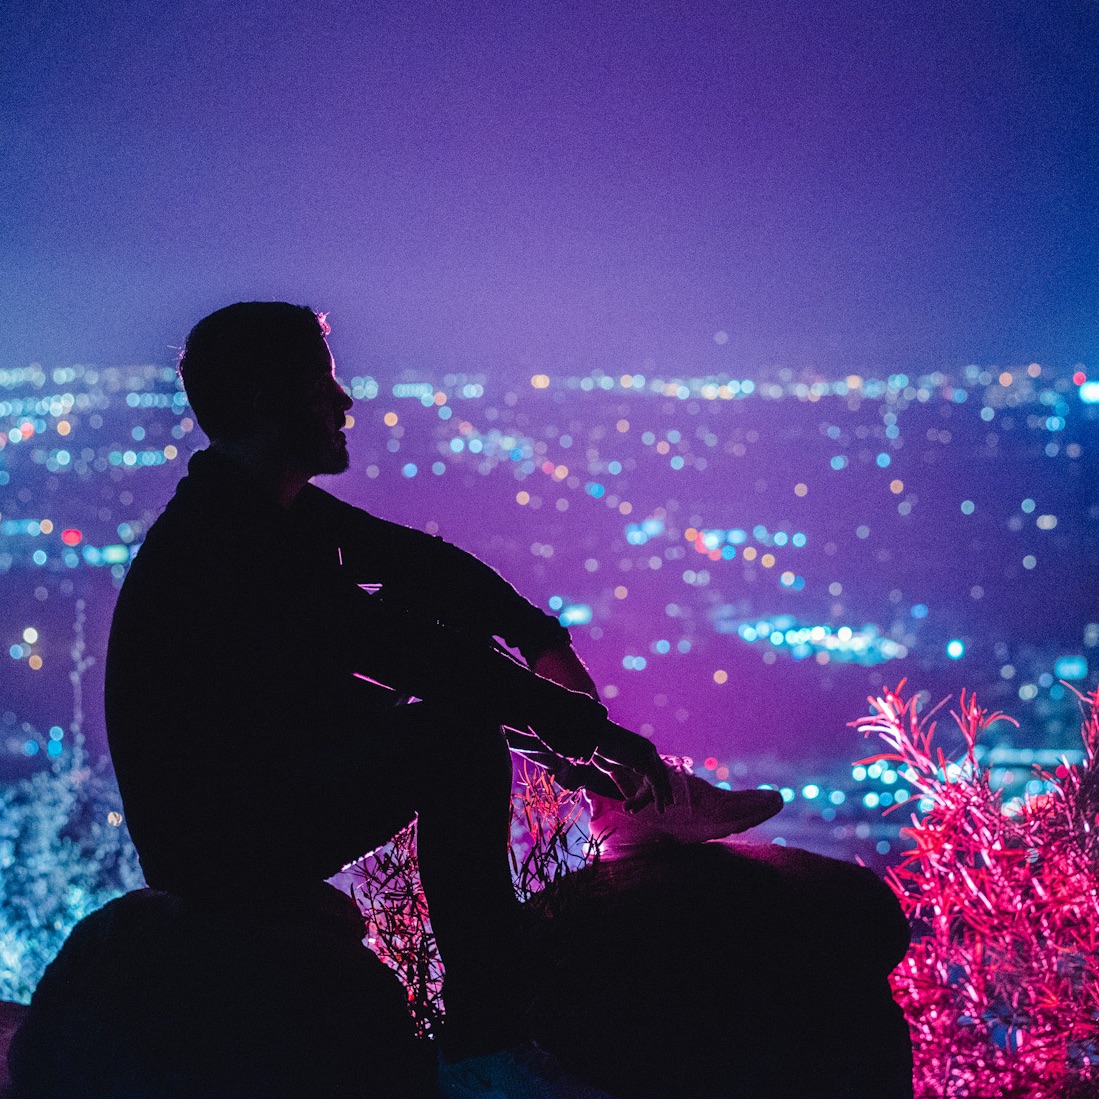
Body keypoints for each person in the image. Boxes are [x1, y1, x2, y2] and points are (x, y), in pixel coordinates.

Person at [104, 302, 780, 1092]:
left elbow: (423, 567)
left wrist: (542, 641)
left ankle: (623, 799)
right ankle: (486, 1048)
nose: (344, 401)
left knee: (441, 632)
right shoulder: (228, 541)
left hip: (259, 776)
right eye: (322, 384)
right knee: (453, 740)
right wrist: (589, 728)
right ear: (265, 404)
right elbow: (401, 652)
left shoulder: (261, 506)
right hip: (219, 841)